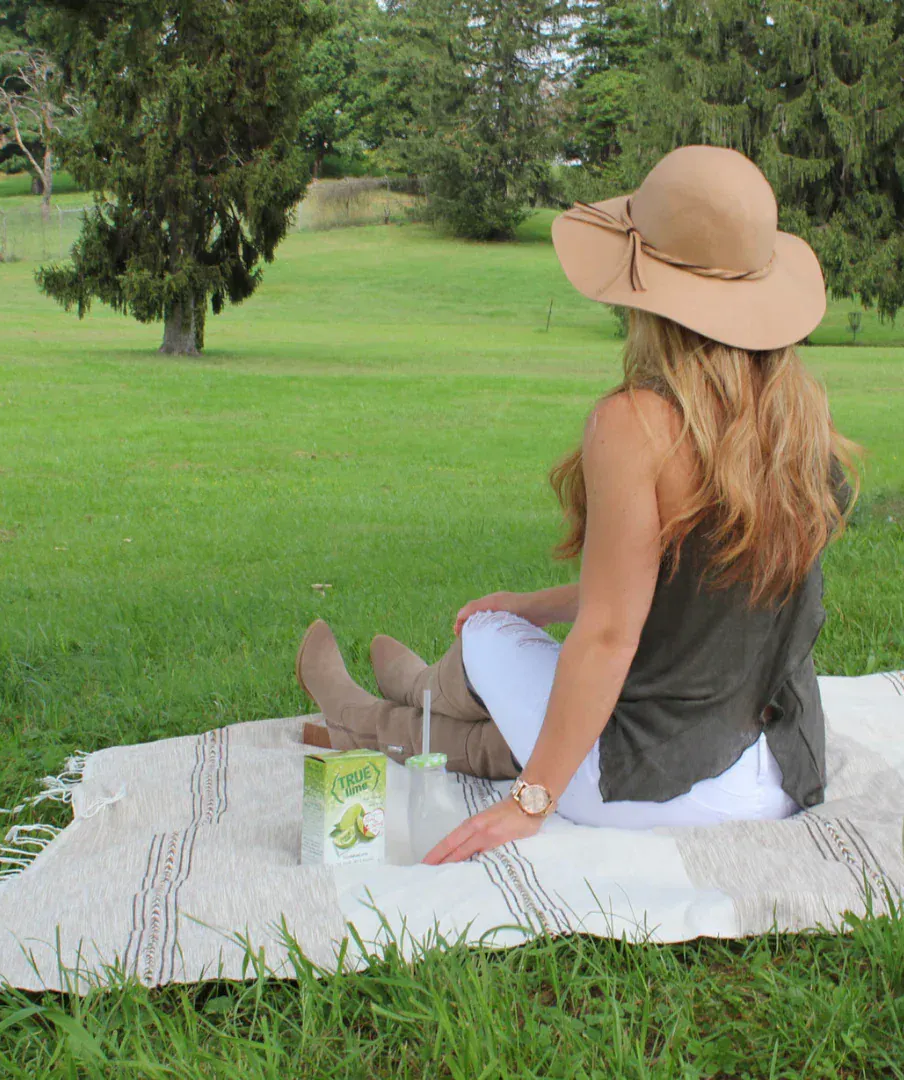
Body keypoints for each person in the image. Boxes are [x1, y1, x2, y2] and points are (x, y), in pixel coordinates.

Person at [294, 144, 859, 865]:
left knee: (487, 636)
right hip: (776, 776)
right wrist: (537, 602)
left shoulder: (635, 424)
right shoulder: (799, 419)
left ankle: (373, 714)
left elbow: (610, 634)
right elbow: (688, 592)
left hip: (647, 788)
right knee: (518, 659)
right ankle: (403, 708)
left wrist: (531, 803)